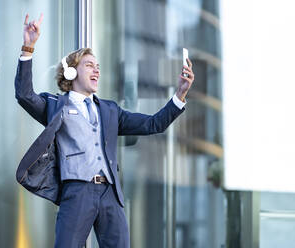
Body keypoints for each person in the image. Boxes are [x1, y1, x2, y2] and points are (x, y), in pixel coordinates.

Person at [15, 13, 195, 248]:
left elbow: (154, 124)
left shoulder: (110, 111)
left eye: (98, 67)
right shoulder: (56, 105)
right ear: (71, 72)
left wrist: (180, 94)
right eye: (89, 65)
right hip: (76, 191)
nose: (96, 71)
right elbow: (24, 95)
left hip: (110, 193)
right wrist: (28, 47)